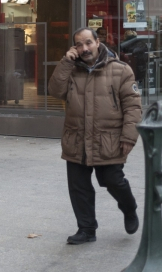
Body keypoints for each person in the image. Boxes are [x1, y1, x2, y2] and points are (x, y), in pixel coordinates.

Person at [48, 27, 141, 245]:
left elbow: (133, 107)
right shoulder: (70, 69)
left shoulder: (121, 70)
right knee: (79, 186)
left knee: (113, 181)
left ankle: (129, 208)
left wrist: (129, 137)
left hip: (108, 139)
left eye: (88, 42)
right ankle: (87, 229)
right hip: (76, 139)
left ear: (98, 42)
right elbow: (55, 91)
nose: (84, 48)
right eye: (79, 44)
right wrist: (65, 62)